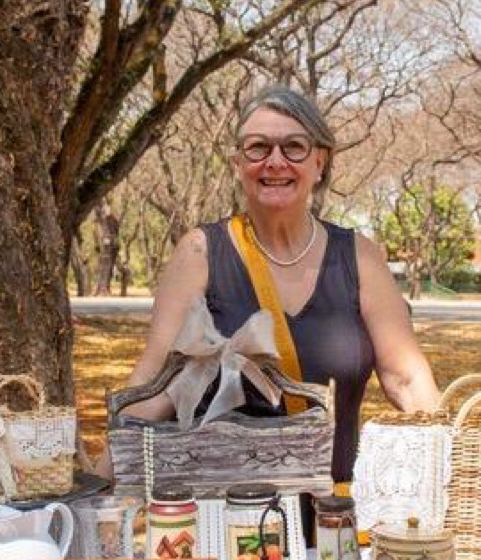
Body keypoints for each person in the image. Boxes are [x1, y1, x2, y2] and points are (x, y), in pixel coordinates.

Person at [99, 85, 440, 487]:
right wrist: (92, 486)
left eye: (293, 147)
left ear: (319, 161)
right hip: (222, 518)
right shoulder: (200, 253)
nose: (274, 162)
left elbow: (407, 380)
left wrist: (454, 464)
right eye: (258, 147)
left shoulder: (360, 257)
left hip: (335, 511)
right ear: (237, 163)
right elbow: (154, 383)